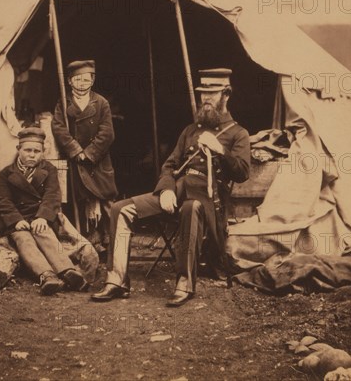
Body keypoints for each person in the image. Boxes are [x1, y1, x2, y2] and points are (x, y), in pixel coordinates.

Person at [91, 68, 250, 307]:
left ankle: (184, 283)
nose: (205, 99)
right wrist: (165, 190)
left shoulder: (238, 133)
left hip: (208, 200)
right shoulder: (189, 131)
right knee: (120, 209)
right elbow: (170, 165)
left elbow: (242, 173)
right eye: (202, 94)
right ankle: (116, 280)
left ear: (226, 95)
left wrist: (221, 151)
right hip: (177, 191)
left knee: (192, 208)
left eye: (212, 93)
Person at [0, 126, 89, 295]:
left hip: (41, 217)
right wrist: (16, 220)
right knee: (25, 240)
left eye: (37, 151)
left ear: (43, 151)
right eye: (28, 150)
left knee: (45, 234)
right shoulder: (7, 173)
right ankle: (46, 275)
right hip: (19, 221)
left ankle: (68, 271)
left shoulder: (49, 170)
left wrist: (43, 217)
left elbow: (52, 195)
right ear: (18, 149)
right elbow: (4, 201)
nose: (32, 155)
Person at [52, 60, 118, 252]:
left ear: (93, 80)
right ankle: (88, 241)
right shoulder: (63, 102)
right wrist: (75, 150)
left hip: (97, 161)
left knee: (106, 200)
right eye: (77, 79)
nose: (82, 83)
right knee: (81, 201)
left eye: (86, 79)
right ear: (70, 81)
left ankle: (111, 240)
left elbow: (107, 133)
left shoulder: (101, 102)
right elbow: (59, 128)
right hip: (76, 161)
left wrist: (88, 153)